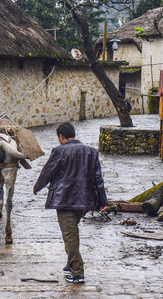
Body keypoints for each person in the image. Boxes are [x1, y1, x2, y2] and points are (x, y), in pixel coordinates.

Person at [33, 122, 107, 284]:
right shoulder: (91, 151)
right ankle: (70, 263)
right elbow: (98, 179)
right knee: (72, 233)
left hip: (64, 200)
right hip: (85, 201)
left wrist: (37, 187)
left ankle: (77, 272)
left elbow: (48, 172)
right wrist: (102, 201)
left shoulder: (59, 151)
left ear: (61, 137)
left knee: (70, 237)